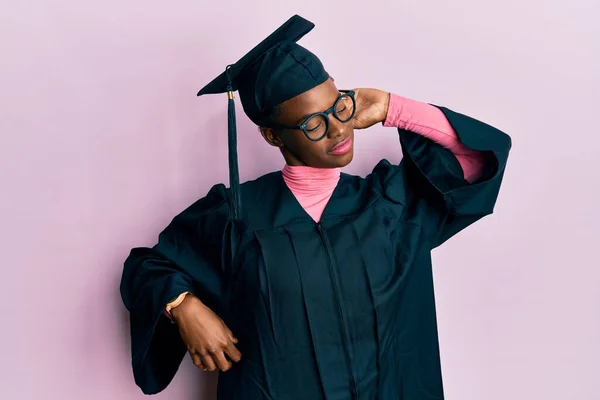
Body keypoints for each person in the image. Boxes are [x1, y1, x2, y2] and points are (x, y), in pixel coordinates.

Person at [120, 14, 511, 400]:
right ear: (273, 136)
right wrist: (182, 306)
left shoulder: (390, 203)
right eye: (313, 124)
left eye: (338, 107)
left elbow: (478, 160)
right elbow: (148, 266)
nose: (339, 129)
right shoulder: (234, 216)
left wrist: (392, 107)